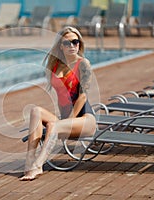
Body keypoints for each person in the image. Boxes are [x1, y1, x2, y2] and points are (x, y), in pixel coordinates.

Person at [19, 26, 97, 181]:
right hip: (66, 120)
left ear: (79, 44)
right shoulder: (55, 66)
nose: (72, 46)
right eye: (67, 43)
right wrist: (64, 120)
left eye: (76, 42)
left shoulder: (83, 64)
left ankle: (38, 166)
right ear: (61, 46)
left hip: (85, 119)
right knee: (35, 111)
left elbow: (82, 97)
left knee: (53, 126)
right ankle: (29, 162)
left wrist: (68, 120)